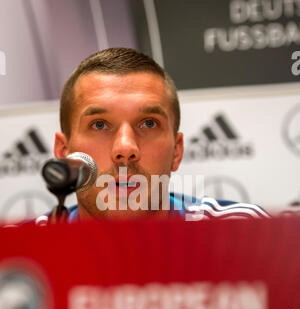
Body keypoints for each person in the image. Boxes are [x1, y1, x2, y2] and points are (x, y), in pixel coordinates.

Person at [36, 48, 269, 225]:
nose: (126, 148)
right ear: (63, 152)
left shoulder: (247, 233)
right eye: (99, 125)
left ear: (177, 151)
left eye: (148, 123)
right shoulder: (22, 250)